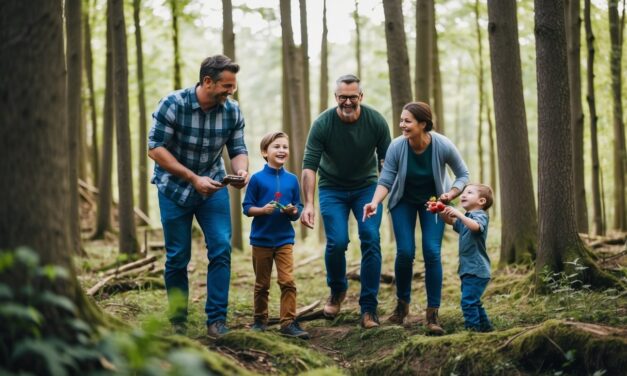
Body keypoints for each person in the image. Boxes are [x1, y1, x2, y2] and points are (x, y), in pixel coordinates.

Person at [148, 54, 248, 338]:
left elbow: (238, 150)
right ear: (207, 81)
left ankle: (216, 320)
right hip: (173, 188)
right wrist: (192, 178)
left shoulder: (232, 111)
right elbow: (155, 149)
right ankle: (178, 319)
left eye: (233, 86)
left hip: (213, 189)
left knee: (221, 247)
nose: (231, 91)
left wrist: (241, 172)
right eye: (227, 86)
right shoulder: (173, 104)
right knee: (178, 256)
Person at [363, 101, 469, 334]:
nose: (402, 125)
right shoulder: (396, 146)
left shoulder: (442, 145)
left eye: (407, 121)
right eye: (401, 120)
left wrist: (450, 194)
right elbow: (386, 179)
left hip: (434, 204)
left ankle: (432, 315)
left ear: (423, 124)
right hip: (404, 203)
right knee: (405, 252)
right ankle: (402, 308)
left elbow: (463, 175)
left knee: (432, 252)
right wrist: (374, 202)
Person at [301, 74, 391, 329]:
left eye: (353, 97)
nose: (348, 101)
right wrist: (309, 204)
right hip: (332, 189)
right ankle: (337, 290)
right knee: (337, 241)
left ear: (361, 96)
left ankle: (369, 308)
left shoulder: (376, 121)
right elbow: (309, 167)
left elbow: (387, 163)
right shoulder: (322, 123)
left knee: (370, 239)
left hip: (367, 188)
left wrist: (382, 195)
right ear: (336, 97)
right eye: (343, 97)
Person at [242, 131, 310, 339]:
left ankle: (288, 322)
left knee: (287, 281)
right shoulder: (256, 179)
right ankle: (260, 321)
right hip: (261, 240)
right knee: (262, 284)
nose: (282, 150)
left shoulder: (292, 180)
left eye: (285, 147)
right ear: (265, 152)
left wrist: (293, 211)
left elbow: (298, 206)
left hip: (284, 241)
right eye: (276, 147)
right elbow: (247, 208)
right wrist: (262, 210)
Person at [440, 184, 494, 332]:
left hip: (477, 269)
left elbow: (476, 227)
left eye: (469, 193)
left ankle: (472, 331)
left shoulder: (480, 215)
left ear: (481, 201)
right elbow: (451, 221)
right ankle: (487, 329)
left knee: (468, 302)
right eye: (463, 192)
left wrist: (459, 214)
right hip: (468, 269)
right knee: (474, 302)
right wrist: (440, 209)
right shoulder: (467, 218)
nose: (463, 195)